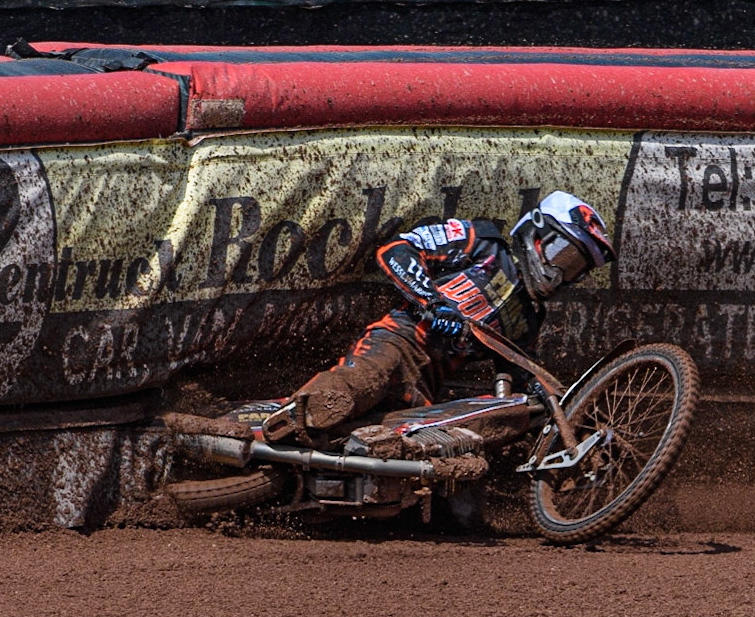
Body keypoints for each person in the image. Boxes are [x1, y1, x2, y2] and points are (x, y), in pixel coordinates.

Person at [261, 190, 616, 444]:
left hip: (428, 388)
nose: (562, 272)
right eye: (564, 254)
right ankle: (279, 424)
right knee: (360, 385)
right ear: (537, 231)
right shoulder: (482, 243)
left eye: (575, 267)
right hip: (398, 341)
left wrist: (536, 398)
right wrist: (430, 302)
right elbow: (397, 250)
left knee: (440, 467)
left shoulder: (529, 317)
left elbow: (513, 376)